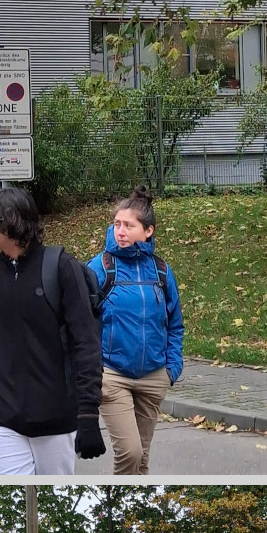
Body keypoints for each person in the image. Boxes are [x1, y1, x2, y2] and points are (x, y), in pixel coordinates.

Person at [0, 187, 104, 475]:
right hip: (2, 417)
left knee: (50, 499)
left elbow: (86, 344)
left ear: (10, 223)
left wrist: (88, 413)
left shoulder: (61, 267)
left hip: (55, 417)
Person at [85, 185, 184, 474]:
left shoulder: (162, 271)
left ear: (148, 230)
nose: (121, 231)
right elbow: (79, 321)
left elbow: (175, 324)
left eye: (129, 225)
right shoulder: (100, 267)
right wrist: (95, 370)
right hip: (113, 375)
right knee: (129, 452)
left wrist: (171, 370)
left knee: (142, 460)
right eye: (117, 224)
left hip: (154, 376)